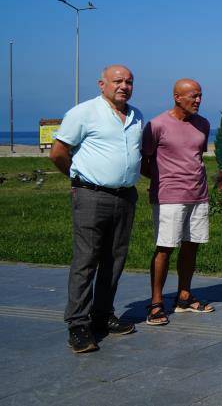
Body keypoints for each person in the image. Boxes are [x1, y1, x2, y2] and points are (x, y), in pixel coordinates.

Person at [51, 65, 143, 353]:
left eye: (128, 82)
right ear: (101, 84)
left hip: (125, 197)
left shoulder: (136, 115)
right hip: (91, 195)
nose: (124, 86)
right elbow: (58, 152)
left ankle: (102, 315)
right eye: (117, 81)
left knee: (114, 260)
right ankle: (78, 324)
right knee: (86, 260)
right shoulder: (83, 112)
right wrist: (77, 179)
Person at [141, 79, 214, 326]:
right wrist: (165, 179)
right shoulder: (157, 125)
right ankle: (156, 303)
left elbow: (195, 157)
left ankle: (184, 296)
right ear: (177, 97)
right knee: (165, 247)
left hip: (198, 195)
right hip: (168, 197)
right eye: (193, 96)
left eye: (200, 95)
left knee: (191, 245)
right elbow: (144, 161)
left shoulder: (203, 124)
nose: (198, 100)